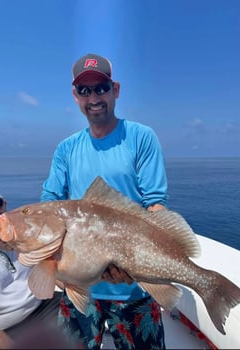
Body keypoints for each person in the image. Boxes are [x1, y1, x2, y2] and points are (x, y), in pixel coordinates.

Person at [41, 53, 169, 349]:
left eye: (101, 87)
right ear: (75, 96)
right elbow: (50, 202)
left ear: (116, 90)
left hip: (134, 286)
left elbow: (155, 204)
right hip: (79, 287)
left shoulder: (141, 137)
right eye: (84, 90)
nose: (93, 97)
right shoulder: (66, 149)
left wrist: (143, 263)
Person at [0, 183, 64, 349]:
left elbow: (53, 272)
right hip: (5, 330)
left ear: (4, 205)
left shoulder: (22, 236)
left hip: (43, 308)